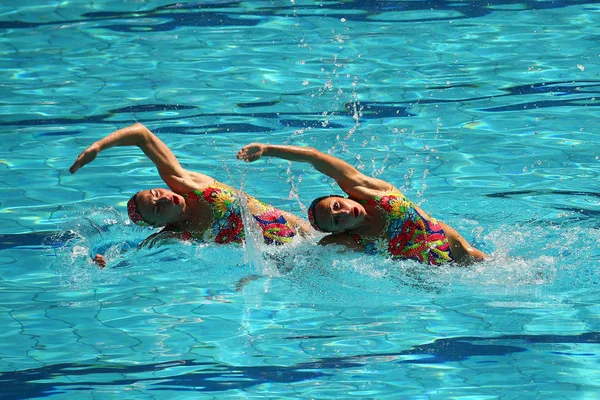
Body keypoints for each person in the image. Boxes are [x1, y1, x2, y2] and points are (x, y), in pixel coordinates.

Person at [70, 123, 311, 267]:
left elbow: (141, 135)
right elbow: (132, 255)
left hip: (300, 230)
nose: (163, 199)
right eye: (156, 208)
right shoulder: (175, 235)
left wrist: (98, 147)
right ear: (158, 224)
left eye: (156, 193)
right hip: (281, 259)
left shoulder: (187, 184)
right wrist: (105, 262)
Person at [237, 143, 488, 265]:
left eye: (337, 206)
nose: (343, 212)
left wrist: (268, 149)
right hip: (427, 274)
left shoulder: (369, 191)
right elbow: (300, 260)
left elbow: (315, 157)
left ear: (342, 196)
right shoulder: (351, 241)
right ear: (340, 231)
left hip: (455, 247)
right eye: (337, 220)